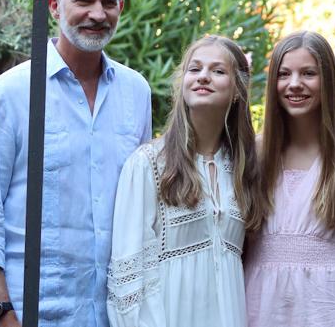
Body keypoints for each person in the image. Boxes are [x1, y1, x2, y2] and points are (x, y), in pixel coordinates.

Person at [0, 0, 152, 327]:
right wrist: (2, 315)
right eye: (84, 0)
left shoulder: (137, 93)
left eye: (107, 2)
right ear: (54, 6)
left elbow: (141, 206)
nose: (97, 13)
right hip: (31, 315)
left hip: (115, 316)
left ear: (120, 7)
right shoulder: (12, 93)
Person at [106, 35, 259, 327]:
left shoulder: (244, 169)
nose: (203, 76)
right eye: (195, 68)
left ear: (238, 90)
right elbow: (129, 280)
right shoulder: (148, 164)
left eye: (218, 70)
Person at [244, 31, 335, 327]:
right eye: (284, 74)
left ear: (327, 80)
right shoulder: (255, 152)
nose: (294, 84)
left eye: (308, 73)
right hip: (259, 303)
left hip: (328, 307)